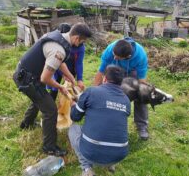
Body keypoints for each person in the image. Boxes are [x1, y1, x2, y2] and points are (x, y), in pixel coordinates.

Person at [13, 23, 92, 156]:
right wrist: (61, 87)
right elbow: (45, 78)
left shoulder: (58, 37)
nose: (81, 45)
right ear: (77, 38)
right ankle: (49, 147)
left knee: (40, 99)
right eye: (82, 41)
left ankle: (26, 124)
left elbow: (61, 64)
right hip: (28, 79)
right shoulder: (58, 50)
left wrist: (71, 78)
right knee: (50, 110)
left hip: (25, 73)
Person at [69, 65, 130, 176]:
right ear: (121, 82)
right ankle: (111, 164)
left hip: (92, 154)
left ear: (104, 79)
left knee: (73, 129)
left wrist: (74, 105)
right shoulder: (126, 100)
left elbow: (75, 117)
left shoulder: (91, 91)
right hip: (119, 156)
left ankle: (87, 169)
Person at [93, 37, 149, 140]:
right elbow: (101, 71)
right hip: (115, 69)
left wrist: (141, 92)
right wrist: (94, 92)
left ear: (128, 56)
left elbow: (142, 80)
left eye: (117, 56)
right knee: (109, 92)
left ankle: (142, 126)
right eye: (113, 55)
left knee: (141, 94)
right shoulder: (111, 50)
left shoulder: (140, 56)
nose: (114, 57)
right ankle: (107, 120)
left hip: (133, 71)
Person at [49, 23, 86, 101]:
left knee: (71, 88)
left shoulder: (80, 47)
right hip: (57, 67)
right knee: (54, 88)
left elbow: (79, 63)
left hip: (70, 68)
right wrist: (63, 74)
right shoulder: (60, 43)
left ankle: (71, 107)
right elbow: (58, 62)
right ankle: (51, 104)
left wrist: (80, 79)